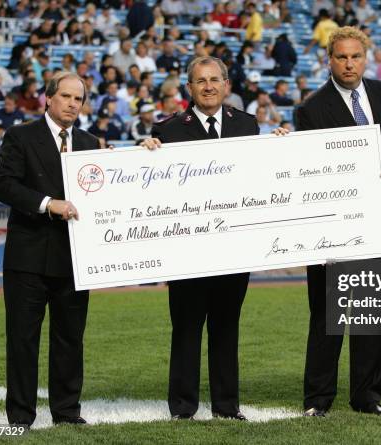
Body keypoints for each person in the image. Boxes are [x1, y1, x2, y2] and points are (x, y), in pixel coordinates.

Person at [294, 26, 381, 417]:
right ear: (329, 60)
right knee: (328, 314)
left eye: (355, 56)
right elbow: (307, 168)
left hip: (380, 222)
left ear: (365, 58)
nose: (349, 64)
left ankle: (367, 397)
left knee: (374, 313)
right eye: (341, 57)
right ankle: (319, 400)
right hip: (331, 228)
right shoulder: (310, 109)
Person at [140, 56, 260, 421]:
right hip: (187, 252)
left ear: (226, 85)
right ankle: (182, 406)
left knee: (227, 328)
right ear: (188, 88)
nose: (208, 86)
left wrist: (281, 145)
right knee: (187, 329)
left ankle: (227, 406)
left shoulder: (248, 125)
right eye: (200, 81)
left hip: (234, 249)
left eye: (215, 80)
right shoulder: (169, 130)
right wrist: (145, 151)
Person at [0, 72, 101, 427]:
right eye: (66, 97)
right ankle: (20, 417)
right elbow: (4, 186)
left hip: (75, 259)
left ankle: (67, 413)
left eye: (78, 99)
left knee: (70, 339)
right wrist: (46, 203)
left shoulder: (89, 143)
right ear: (48, 98)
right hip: (28, 258)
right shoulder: (20, 135)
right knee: (23, 341)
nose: (72, 104)